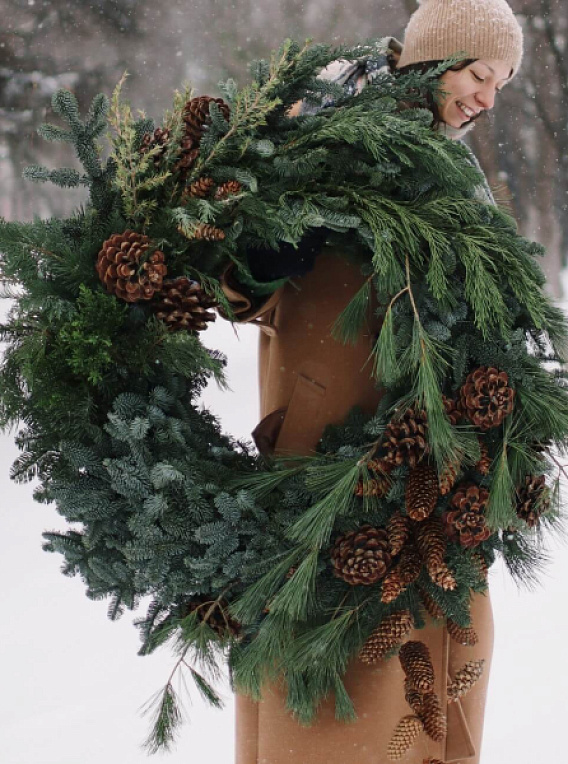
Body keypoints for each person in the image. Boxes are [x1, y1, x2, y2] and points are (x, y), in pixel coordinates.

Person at [220, 1, 524, 761]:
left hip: (431, 465)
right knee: (334, 674)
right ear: (431, 60)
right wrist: (279, 241)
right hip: (327, 462)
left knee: (438, 646)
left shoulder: (452, 169)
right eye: (480, 73)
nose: (489, 99)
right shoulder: (320, 136)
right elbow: (230, 275)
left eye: (505, 84)